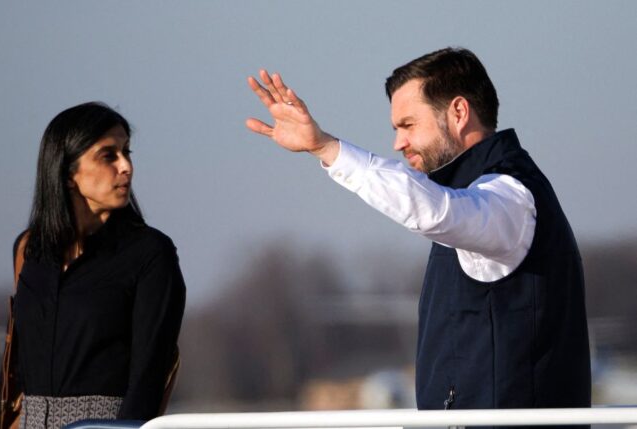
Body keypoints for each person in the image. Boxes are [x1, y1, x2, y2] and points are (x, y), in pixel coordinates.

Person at [246, 48, 591, 414]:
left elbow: (432, 211)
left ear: (459, 112)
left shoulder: (509, 198)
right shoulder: (474, 193)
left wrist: (327, 149)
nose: (398, 143)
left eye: (408, 125)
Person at [0, 102, 186, 428]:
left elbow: (148, 377)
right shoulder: (29, 251)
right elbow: (13, 369)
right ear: (67, 171)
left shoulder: (150, 254)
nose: (126, 166)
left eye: (127, 152)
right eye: (109, 155)